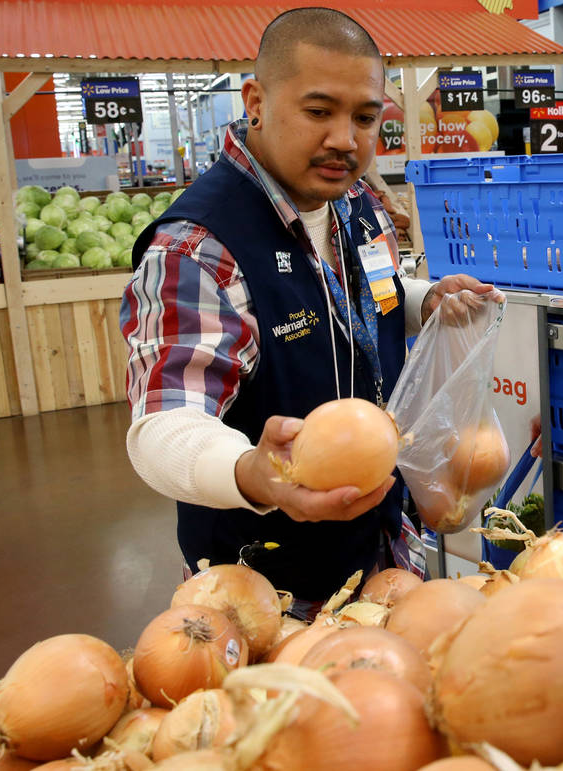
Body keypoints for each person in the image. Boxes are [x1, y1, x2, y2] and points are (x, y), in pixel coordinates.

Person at [121, 7, 500, 614]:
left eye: (366, 117)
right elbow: (162, 425)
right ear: (256, 102)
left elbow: (365, 291)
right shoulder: (199, 250)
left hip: (381, 547)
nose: (345, 140)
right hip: (266, 587)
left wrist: (423, 298)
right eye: (319, 112)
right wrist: (251, 471)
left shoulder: (359, 205)